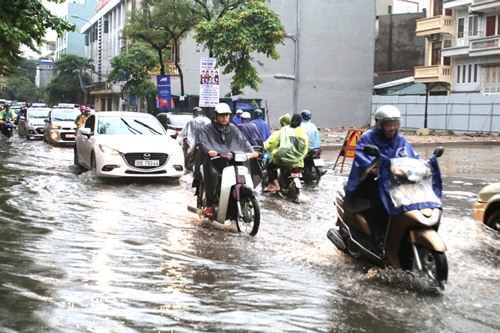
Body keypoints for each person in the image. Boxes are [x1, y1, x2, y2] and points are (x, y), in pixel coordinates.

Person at [344, 105, 419, 255]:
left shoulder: (400, 140)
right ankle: (378, 238)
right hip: (369, 183)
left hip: (394, 182)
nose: (392, 128)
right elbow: (363, 161)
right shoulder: (367, 139)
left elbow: (414, 158)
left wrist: (424, 167)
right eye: (388, 124)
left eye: (395, 124)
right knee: (381, 200)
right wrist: (374, 169)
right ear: (379, 123)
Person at [196, 103, 258, 218]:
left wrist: (251, 152)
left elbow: (243, 141)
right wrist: (209, 151)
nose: (225, 117)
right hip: (214, 161)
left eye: (227, 115)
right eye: (222, 115)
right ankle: (209, 204)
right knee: (213, 174)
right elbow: (202, 142)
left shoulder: (233, 128)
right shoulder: (207, 129)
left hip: (231, 160)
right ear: (215, 115)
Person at [263, 113, 308, 192]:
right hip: (298, 161)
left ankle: (276, 186)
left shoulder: (284, 131)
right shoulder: (302, 133)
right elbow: (304, 149)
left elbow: (271, 143)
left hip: (284, 160)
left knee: (270, 166)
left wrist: (272, 152)